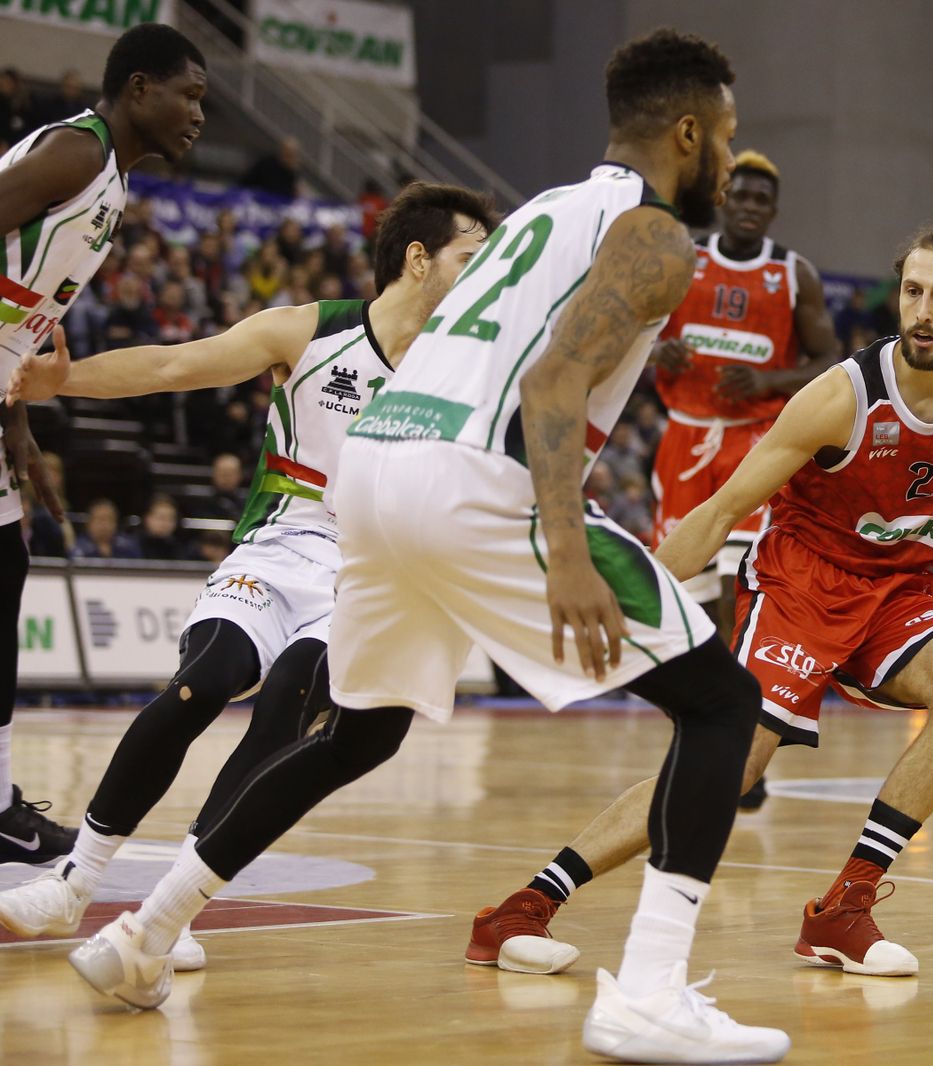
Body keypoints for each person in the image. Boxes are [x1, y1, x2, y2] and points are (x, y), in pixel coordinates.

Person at [63, 31, 793, 1064]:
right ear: (687, 131)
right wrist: (566, 548)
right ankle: (650, 989)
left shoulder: (541, 210)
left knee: (361, 732)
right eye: (725, 135)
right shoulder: (656, 235)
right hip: (474, 484)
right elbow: (550, 385)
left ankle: (145, 930)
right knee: (723, 702)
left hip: (375, 472)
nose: (730, 155)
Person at [468, 224, 933, 989]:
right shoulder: (840, 396)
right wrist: (637, 603)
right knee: (730, 766)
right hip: (803, 584)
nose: (923, 311)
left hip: (900, 591)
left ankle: (844, 907)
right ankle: (524, 907)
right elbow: (724, 509)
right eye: (913, 291)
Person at [0, 182, 497, 973]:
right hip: (280, 542)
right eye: (474, 256)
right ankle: (75, 881)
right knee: (203, 680)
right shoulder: (309, 331)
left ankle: (173, 906)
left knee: (290, 703)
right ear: (418, 258)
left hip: (366, 569)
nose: (489, 274)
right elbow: (172, 363)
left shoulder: (468, 374)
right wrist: (65, 381)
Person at [0, 23, 206, 864]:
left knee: (7, 567)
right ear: (139, 90)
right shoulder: (77, 154)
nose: (199, 115)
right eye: (188, 95)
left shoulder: (106, 180)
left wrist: (15, 420)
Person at [650, 149, 839, 624]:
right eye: (742, 196)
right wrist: (656, 350)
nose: (751, 206)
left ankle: (733, 684)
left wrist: (767, 379)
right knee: (684, 580)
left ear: (773, 211)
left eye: (762, 199)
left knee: (738, 572)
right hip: (685, 434)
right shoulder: (682, 258)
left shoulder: (794, 273)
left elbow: (830, 358)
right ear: (723, 200)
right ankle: (690, 689)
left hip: (755, 437)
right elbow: (634, 329)